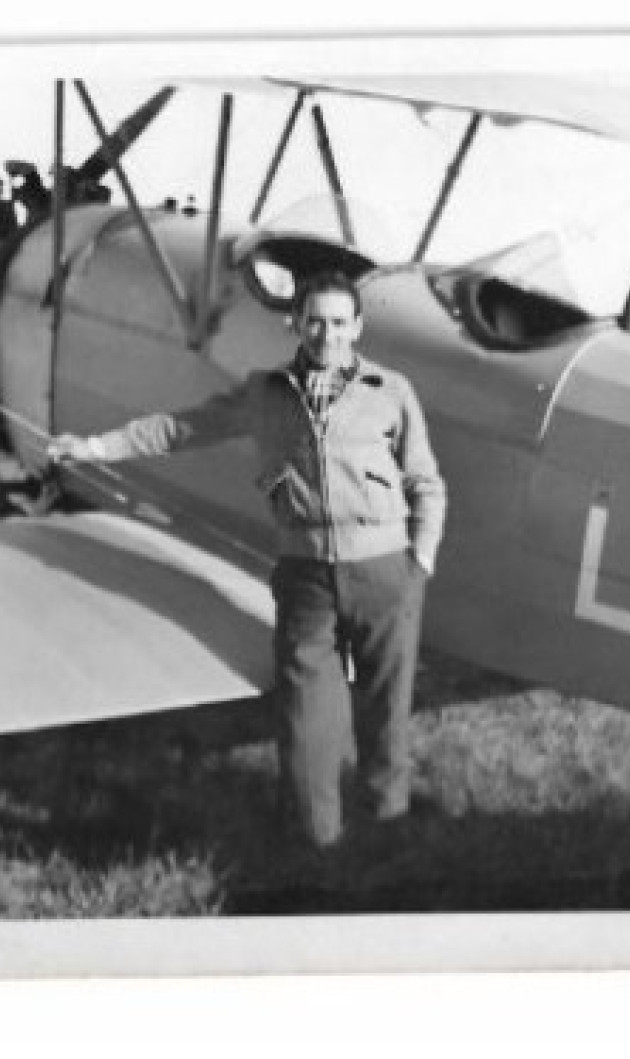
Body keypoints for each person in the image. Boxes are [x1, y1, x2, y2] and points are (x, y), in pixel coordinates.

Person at [48, 271, 447, 849]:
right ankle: (323, 847)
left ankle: (389, 834)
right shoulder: (265, 394)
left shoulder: (391, 391)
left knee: (387, 714)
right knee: (306, 721)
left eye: (339, 322)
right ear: (295, 323)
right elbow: (180, 429)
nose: (326, 334)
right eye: (314, 320)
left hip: (385, 570)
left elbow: (425, 483)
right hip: (305, 577)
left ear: (356, 327)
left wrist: (420, 566)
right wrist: (93, 448)